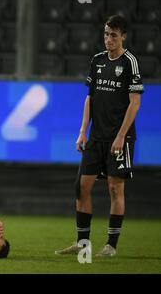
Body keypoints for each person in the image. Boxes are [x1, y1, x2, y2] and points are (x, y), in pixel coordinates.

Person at [55, 15, 144, 257]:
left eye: (113, 35)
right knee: (80, 187)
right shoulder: (97, 61)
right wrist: (83, 131)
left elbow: (134, 103)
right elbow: (90, 98)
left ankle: (111, 245)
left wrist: (121, 136)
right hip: (95, 137)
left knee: (116, 189)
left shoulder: (130, 62)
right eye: (106, 34)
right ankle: (82, 243)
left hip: (119, 138)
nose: (108, 39)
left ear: (123, 36)